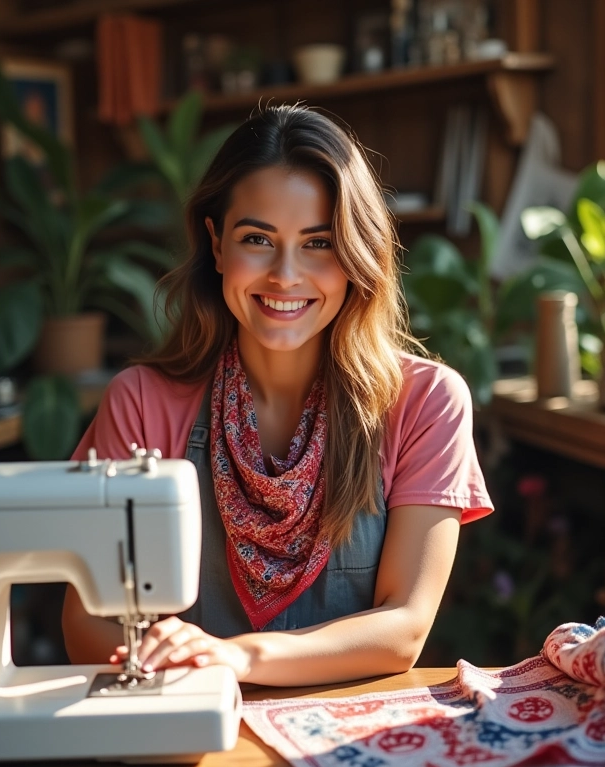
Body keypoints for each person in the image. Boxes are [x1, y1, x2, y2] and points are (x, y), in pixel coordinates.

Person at [62, 104, 493, 686]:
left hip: (349, 737)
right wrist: (190, 679)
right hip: (193, 722)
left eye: (318, 243)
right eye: (258, 239)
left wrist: (237, 656)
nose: (285, 275)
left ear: (355, 255)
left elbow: (403, 628)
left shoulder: (425, 402)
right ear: (216, 244)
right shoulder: (140, 403)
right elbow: (88, 623)